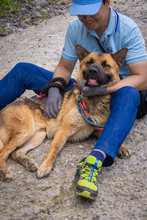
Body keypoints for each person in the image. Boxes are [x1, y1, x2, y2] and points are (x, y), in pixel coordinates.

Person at [0, 0, 147, 199]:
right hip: (83, 87)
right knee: (23, 70)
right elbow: (65, 67)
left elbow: (142, 77)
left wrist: (105, 90)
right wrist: (54, 87)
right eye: (81, 13)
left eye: (90, 12)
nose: (86, 18)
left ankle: (95, 161)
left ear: (106, 3)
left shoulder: (128, 29)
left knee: (129, 94)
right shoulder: (76, 27)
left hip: (118, 90)